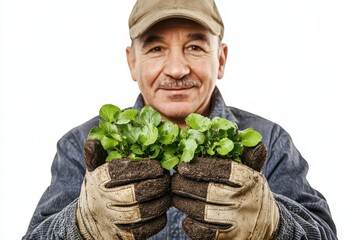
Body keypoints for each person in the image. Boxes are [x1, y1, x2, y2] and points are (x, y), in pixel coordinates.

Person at [23, 0, 337, 239]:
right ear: (132, 62)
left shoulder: (269, 140)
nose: (176, 69)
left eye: (195, 46)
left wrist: (274, 223)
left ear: (221, 59)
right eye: (156, 48)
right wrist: (80, 225)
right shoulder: (81, 144)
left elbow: (323, 232)